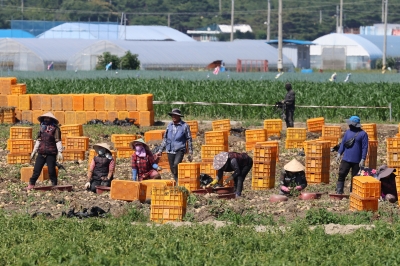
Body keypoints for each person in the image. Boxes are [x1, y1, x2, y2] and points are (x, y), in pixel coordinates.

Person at [26, 112, 63, 190]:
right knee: (36, 170)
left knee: (51, 170)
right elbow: (38, 140)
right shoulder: (41, 128)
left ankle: (54, 185)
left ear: (51, 119)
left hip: (51, 153)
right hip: (41, 152)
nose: (46, 119)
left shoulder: (55, 129)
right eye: (45, 118)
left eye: (48, 118)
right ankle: (31, 184)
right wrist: (34, 151)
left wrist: (60, 151)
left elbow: (58, 141)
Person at [156, 108, 193, 183]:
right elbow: (165, 139)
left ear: (179, 116)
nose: (174, 117)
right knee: (172, 168)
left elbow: (189, 139)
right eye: (173, 115)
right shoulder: (169, 125)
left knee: (176, 164)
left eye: (175, 115)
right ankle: (177, 181)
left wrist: (190, 152)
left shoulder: (185, 126)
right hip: (170, 149)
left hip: (180, 149)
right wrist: (160, 150)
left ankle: (178, 179)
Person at [335, 116, 368, 194]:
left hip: (357, 160)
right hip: (346, 158)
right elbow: (343, 143)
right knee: (342, 173)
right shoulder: (347, 132)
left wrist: (363, 159)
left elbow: (365, 147)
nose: (349, 125)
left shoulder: (363, 134)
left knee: (355, 178)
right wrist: (339, 153)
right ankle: (339, 190)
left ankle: (353, 193)